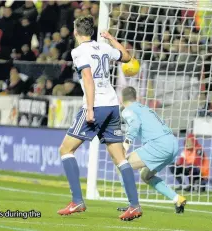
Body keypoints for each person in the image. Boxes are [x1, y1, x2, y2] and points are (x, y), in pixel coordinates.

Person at [57, 16, 142, 221]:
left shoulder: (79, 51)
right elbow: (127, 57)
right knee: (119, 157)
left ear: (76, 32)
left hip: (96, 105)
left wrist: (90, 110)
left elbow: (87, 78)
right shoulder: (103, 47)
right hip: (113, 105)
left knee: (66, 150)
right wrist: (111, 38)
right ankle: (134, 206)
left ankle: (77, 200)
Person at [117, 87, 187, 213]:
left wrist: (125, 144)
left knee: (122, 165)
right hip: (172, 143)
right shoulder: (145, 108)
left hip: (159, 144)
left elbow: (135, 124)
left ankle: (132, 205)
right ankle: (177, 198)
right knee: (146, 176)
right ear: (135, 97)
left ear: (122, 99)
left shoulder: (128, 110)